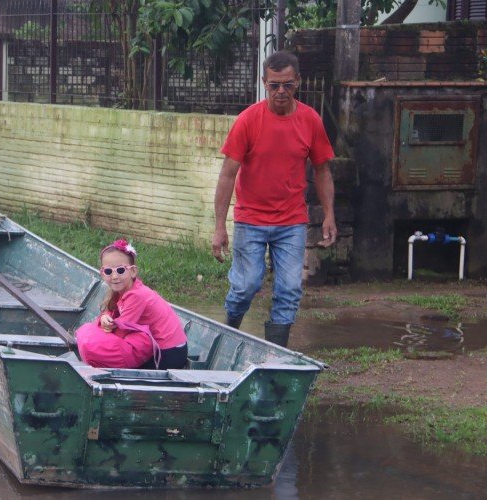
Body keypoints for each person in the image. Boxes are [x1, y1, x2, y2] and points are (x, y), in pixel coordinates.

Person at [212, 50, 337, 347]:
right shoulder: (248, 120)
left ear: (298, 82)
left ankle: (275, 354)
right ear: (264, 83)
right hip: (251, 219)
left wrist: (329, 214)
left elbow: (322, 170)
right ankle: (227, 336)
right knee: (246, 285)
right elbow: (228, 174)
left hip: (291, 220)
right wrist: (219, 227)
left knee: (289, 288)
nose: (281, 92)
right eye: (274, 85)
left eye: (288, 85)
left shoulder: (310, 120)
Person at [76, 239, 189, 369]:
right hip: (163, 349)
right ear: (102, 273)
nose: (114, 276)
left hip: (169, 354)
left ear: (133, 271)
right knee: (90, 333)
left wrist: (102, 328)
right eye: (108, 272)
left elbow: (120, 332)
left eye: (120, 270)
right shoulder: (123, 290)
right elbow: (112, 313)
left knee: (89, 334)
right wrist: (104, 317)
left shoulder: (136, 295)